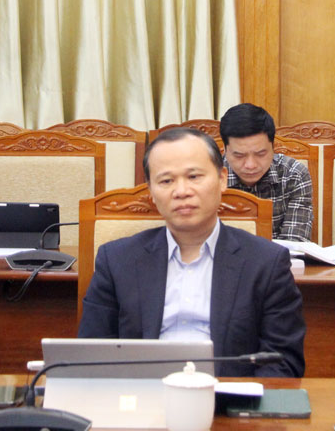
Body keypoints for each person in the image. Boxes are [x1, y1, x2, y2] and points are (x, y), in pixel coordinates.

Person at [78, 127, 305, 377]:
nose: (182, 191)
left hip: (227, 395)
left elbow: (283, 362)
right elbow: (92, 354)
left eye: (194, 176)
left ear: (222, 179)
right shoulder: (117, 260)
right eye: (166, 181)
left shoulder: (266, 262)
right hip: (142, 394)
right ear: (150, 191)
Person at [219, 104, 313, 241]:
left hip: (278, 255)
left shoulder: (293, 175)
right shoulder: (209, 176)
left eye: (260, 154)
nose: (250, 165)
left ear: (273, 146)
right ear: (225, 149)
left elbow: (294, 243)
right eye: (239, 155)